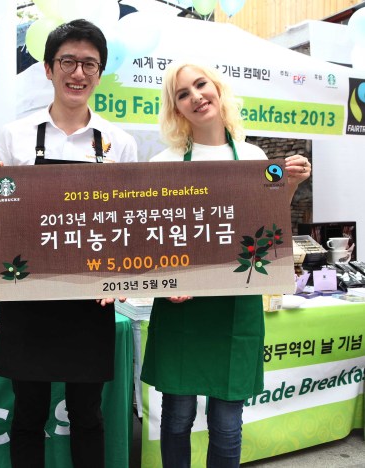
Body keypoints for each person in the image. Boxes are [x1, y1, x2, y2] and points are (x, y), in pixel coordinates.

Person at [0, 19, 138, 468]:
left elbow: (124, 222)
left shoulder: (119, 143)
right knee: (27, 413)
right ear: (48, 69)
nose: (78, 72)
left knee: (87, 413)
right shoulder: (16, 135)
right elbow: (7, 217)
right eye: (68, 61)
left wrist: (121, 275)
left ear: (100, 73)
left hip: (91, 299)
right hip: (31, 295)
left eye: (90, 63)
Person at [140, 61, 311, 468]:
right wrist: (165, 284)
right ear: (175, 108)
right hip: (181, 306)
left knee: (228, 423)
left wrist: (289, 186)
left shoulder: (252, 156)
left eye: (201, 85)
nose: (196, 97)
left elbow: (265, 229)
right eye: (183, 93)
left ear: (217, 90)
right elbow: (151, 237)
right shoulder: (164, 163)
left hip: (236, 305)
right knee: (177, 417)